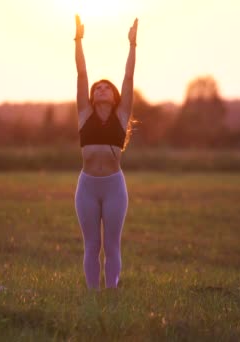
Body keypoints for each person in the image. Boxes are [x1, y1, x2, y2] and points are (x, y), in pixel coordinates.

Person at [73, 14, 138, 290]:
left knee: (111, 245)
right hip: (87, 186)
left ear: (114, 97)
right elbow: (82, 74)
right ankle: (92, 294)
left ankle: (111, 293)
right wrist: (78, 39)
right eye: (97, 88)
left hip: (114, 187)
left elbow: (128, 76)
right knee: (92, 244)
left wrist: (133, 46)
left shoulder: (122, 116)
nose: (100, 89)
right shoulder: (84, 113)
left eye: (106, 88)